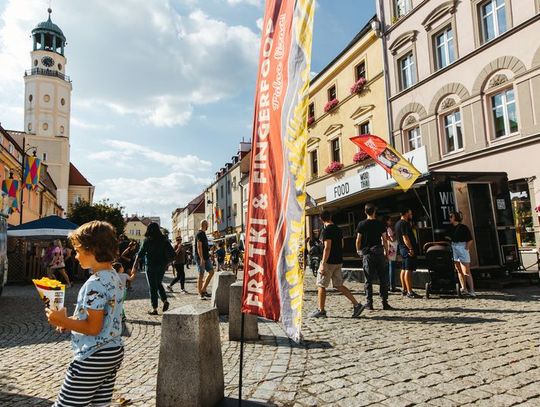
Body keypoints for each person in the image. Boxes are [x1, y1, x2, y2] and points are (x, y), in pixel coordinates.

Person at [45, 221, 124, 407]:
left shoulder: (94, 283)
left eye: (78, 250)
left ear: (92, 250)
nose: (75, 255)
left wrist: (62, 319)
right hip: (113, 351)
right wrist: (69, 322)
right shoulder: (114, 276)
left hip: (93, 354)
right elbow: (102, 319)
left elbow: (93, 328)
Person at [309, 210, 364, 318]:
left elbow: (327, 247)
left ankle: (321, 310)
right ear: (330, 217)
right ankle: (356, 304)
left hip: (328, 262)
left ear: (321, 219)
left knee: (321, 285)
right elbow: (342, 244)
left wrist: (323, 263)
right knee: (338, 285)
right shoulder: (338, 229)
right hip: (338, 261)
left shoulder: (327, 230)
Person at [355, 203, 393, 310]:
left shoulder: (361, 224)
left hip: (367, 254)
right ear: (374, 212)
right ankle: (384, 302)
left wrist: (358, 251)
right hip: (379, 252)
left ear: (365, 212)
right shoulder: (380, 224)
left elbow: (358, 239)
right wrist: (386, 252)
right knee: (383, 278)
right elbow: (384, 240)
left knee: (368, 279)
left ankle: (369, 303)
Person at [132, 223, 174, 315]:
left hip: (150, 266)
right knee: (158, 284)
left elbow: (140, 254)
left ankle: (154, 308)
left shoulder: (147, 240)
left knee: (152, 287)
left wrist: (134, 266)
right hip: (161, 266)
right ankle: (165, 300)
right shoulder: (164, 240)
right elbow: (172, 254)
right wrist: (167, 263)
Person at [448, 211, 477, 297]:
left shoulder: (463, 227)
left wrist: (466, 248)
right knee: (458, 269)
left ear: (455, 218)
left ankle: (472, 290)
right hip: (454, 246)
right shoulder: (450, 228)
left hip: (462, 246)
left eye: (451, 216)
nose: (449, 218)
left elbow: (470, 239)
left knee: (466, 270)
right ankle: (464, 288)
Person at [395, 209, 422, 298]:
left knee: (403, 269)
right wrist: (410, 248)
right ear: (406, 213)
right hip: (407, 249)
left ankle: (404, 289)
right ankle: (410, 292)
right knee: (408, 270)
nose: (411, 214)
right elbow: (405, 237)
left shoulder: (397, 223)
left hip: (401, 249)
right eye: (410, 213)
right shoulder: (404, 223)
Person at [195, 220, 214, 300]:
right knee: (201, 275)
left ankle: (203, 289)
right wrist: (202, 258)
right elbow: (199, 247)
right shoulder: (199, 234)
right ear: (204, 225)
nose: (208, 227)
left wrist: (209, 249)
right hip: (201, 258)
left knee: (211, 272)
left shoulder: (203, 234)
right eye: (207, 225)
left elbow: (203, 247)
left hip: (206, 257)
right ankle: (200, 293)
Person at [386, 216, 399, 292]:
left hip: (388, 248)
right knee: (392, 267)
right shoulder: (389, 229)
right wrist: (397, 236)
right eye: (390, 220)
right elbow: (392, 239)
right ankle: (392, 286)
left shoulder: (385, 229)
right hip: (392, 248)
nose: (391, 222)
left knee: (389, 267)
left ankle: (389, 285)